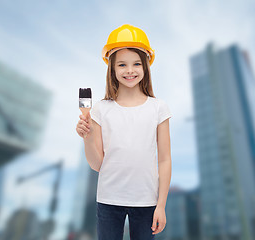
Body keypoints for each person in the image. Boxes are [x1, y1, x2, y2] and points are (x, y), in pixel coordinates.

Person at [76, 24, 172, 240]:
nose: (130, 70)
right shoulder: (100, 109)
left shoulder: (158, 108)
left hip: (147, 202)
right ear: (112, 68)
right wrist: (87, 137)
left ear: (146, 66)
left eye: (136, 63)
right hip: (109, 200)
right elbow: (96, 164)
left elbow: (165, 160)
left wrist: (161, 205)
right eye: (122, 64)